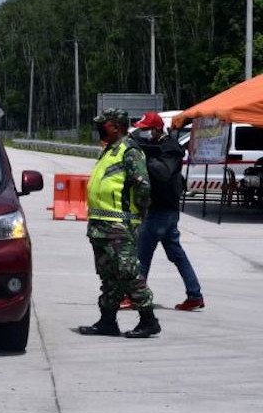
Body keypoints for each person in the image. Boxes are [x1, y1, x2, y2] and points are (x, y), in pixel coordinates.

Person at [78, 108, 160, 339]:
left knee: (128, 273)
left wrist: (139, 215)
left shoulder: (130, 150)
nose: (99, 128)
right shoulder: (109, 151)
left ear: (115, 125)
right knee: (109, 275)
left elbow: (142, 185)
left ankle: (148, 320)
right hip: (101, 225)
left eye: (102, 124)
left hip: (119, 225)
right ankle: (107, 321)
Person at [132, 111, 204, 311]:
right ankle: (194, 294)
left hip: (161, 210)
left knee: (142, 255)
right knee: (177, 255)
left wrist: (145, 157)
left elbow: (163, 173)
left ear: (156, 129)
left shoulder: (170, 148)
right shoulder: (160, 146)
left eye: (145, 130)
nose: (142, 133)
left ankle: (135, 296)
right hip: (164, 209)